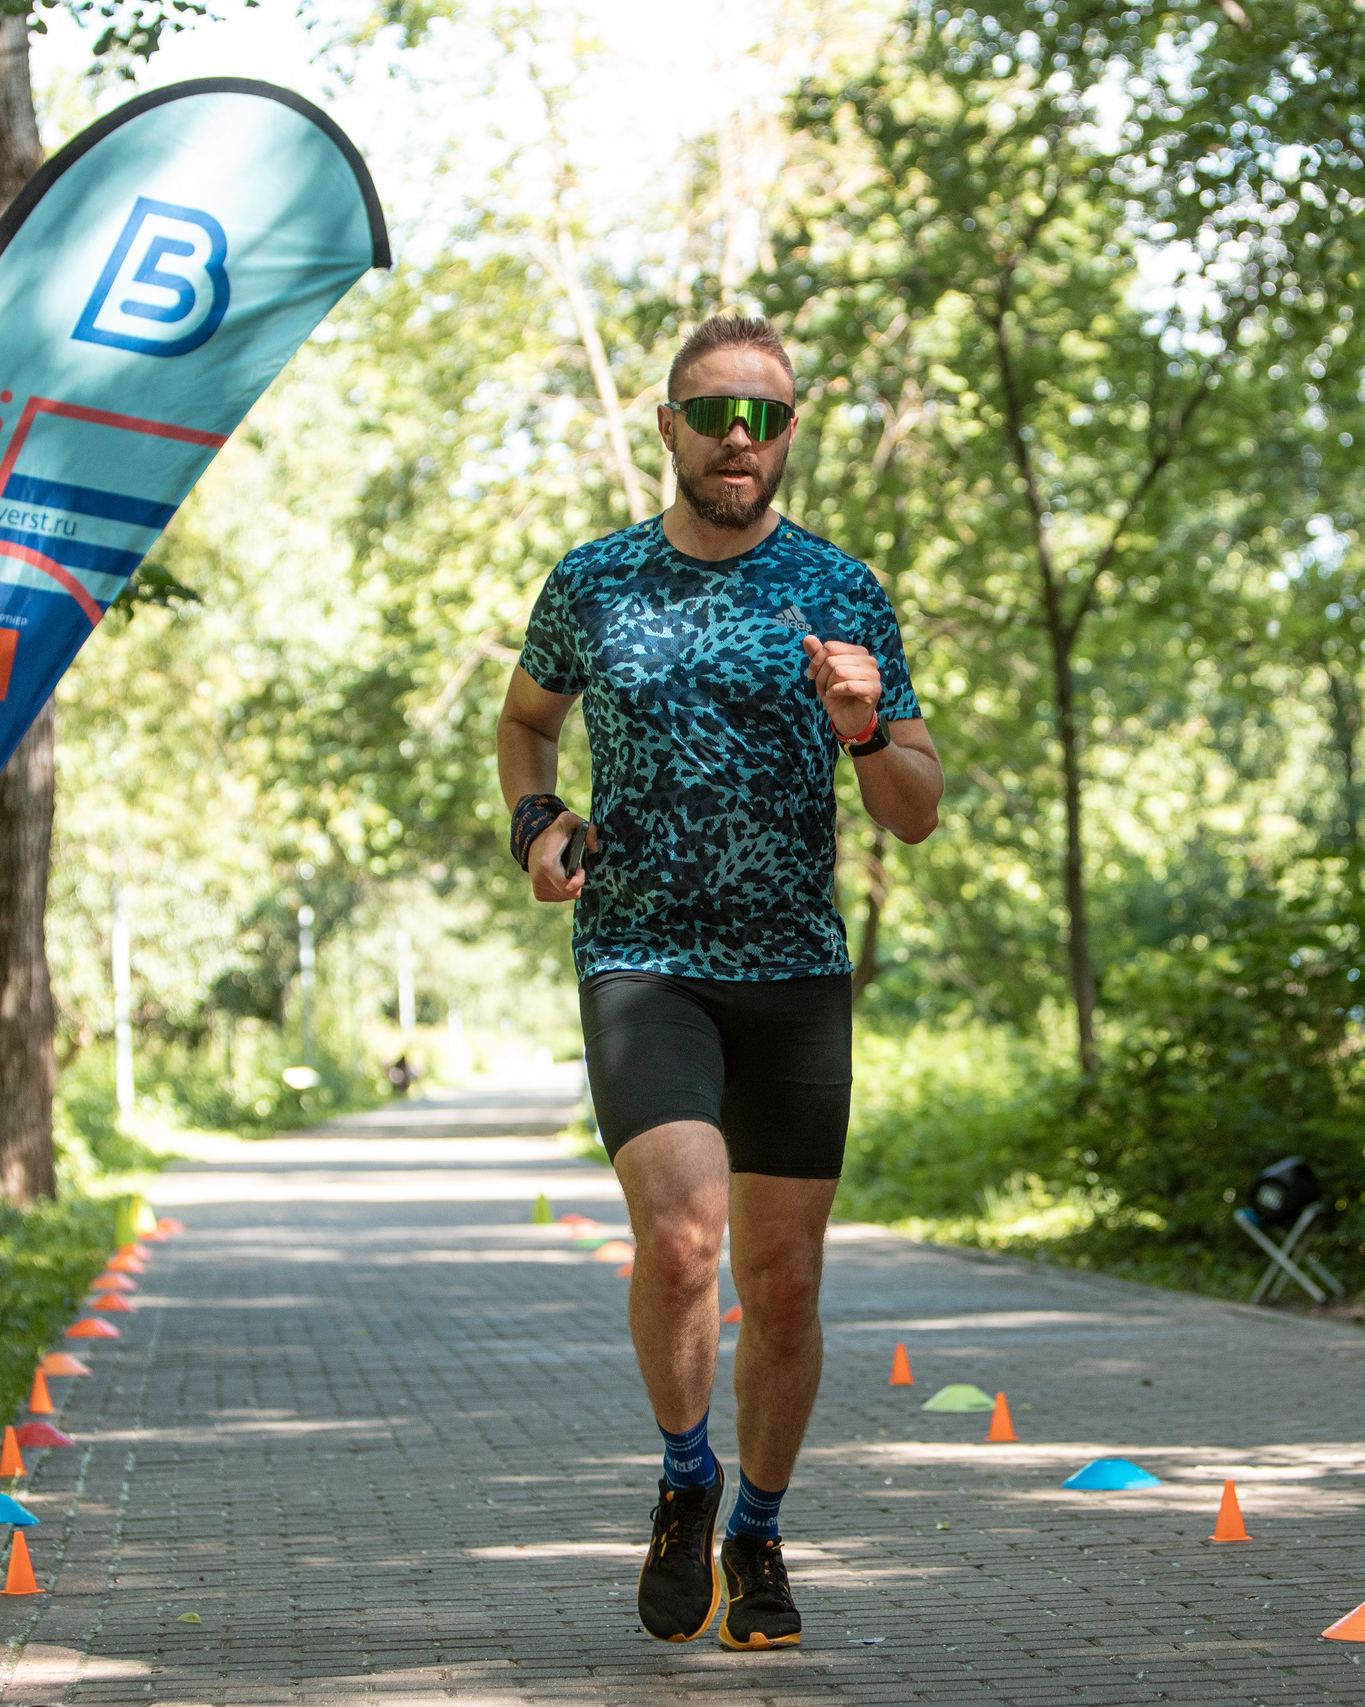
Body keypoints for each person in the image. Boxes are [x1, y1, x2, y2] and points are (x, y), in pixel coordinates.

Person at [496, 313, 943, 1650]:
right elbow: (526, 722)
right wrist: (537, 821)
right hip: (641, 957)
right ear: (669, 428)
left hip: (795, 970)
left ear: (789, 432)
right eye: (712, 413)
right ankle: (686, 1477)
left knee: (785, 1283)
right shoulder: (593, 581)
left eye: (764, 416)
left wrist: (863, 729)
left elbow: (916, 808)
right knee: (685, 1238)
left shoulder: (843, 592)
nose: (737, 437)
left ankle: (758, 1530)